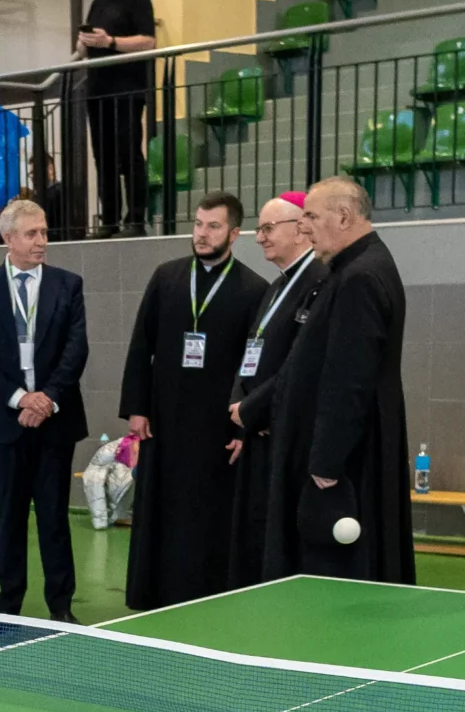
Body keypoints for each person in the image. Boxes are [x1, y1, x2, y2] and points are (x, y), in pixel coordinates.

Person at [120, 191, 268, 610]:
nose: (202, 234)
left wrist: (243, 425)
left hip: (216, 426)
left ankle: (206, 597)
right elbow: (141, 344)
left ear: (234, 234)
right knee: (161, 509)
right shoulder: (166, 277)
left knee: (209, 514)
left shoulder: (254, 289)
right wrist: (137, 407)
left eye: (213, 226)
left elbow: (254, 365)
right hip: (163, 420)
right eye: (198, 224)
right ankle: (153, 594)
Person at [262, 177, 413, 582]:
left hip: (349, 462)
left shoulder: (360, 276)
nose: (303, 226)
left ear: (344, 216)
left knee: (341, 565)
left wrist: (326, 461)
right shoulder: (352, 269)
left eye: (311, 216)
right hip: (347, 451)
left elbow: (350, 377)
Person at [0, 198, 89, 618]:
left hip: (55, 421)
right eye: (32, 233)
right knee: (10, 519)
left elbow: (76, 350)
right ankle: (8, 607)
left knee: (54, 518)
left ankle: (61, 607)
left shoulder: (68, 285)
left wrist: (46, 399)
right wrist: (19, 398)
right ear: (8, 238)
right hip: (4, 422)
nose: (42, 241)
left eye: (44, 232)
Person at [226, 193, 324, 586]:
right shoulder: (277, 285)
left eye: (268, 228)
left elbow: (300, 365)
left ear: (300, 229)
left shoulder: (319, 281)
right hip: (258, 428)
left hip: (287, 433)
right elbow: (252, 350)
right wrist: (240, 404)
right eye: (259, 228)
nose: (260, 237)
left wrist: (253, 408)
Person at [76, 0, 158, 238]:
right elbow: (82, 49)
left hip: (126, 89)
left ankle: (134, 219)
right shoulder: (97, 3)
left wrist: (110, 41)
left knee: (129, 154)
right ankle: (109, 219)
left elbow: (148, 41)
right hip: (97, 90)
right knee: (103, 157)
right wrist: (84, 42)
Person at [83, 431, 140, 528]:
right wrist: (100, 520)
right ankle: (119, 516)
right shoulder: (116, 450)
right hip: (110, 464)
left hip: (118, 463)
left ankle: (120, 515)